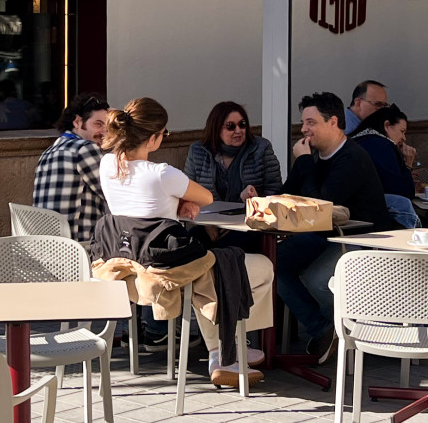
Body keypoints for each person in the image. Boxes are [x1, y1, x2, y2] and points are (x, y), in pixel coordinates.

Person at [94, 97, 274, 386]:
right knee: (259, 267)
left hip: (130, 261)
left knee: (209, 275)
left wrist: (173, 206)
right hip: (169, 267)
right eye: (164, 134)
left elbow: (142, 206)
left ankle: (222, 351)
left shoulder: (106, 165)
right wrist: (179, 203)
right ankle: (229, 348)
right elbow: (206, 198)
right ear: (153, 138)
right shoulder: (163, 173)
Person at [277, 92, 398, 363]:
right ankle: (323, 329)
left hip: (363, 240)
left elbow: (320, 206)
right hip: (325, 237)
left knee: (316, 279)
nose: (304, 130)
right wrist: (259, 198)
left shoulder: (351, 157)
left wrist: (305, 162)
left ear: (333, 122)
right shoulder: (313, 155)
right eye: (303, 123)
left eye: (311, 122)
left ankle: (352, 335)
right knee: (273, 263)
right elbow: (287, 195)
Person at [33, 93, 110, 242]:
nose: (104, 132)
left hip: (45, 248)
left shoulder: (48, 152)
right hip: (79, 248)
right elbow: (116, 195)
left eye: (108, 126)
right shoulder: (85, 149)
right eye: (98, 124)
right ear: (77, 121)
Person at [184, 101, 283, 202]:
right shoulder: (198, 151)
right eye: (230, 126)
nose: (238, 130)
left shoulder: (261, 148)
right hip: (208, 215)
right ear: (217, 128)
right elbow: (186, 190)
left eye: (242, 124)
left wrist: (256, 198)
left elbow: (275, 191)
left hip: (250, 214)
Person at [348, 104, 416, 197]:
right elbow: (403, 192)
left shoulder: (361, 140)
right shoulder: (382, 146)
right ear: (387, 125)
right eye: (402, 131)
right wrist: (408, 164)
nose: (404, 138)